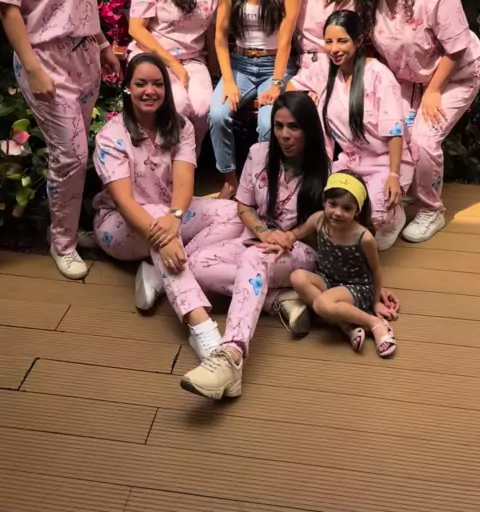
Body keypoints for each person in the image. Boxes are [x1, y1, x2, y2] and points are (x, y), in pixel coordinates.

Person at [0, 0, 120, 280]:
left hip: (85, 58)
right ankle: (62, 242)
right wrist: (32, 68)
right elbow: (7, 7)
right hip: (44, 59)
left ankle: (67, 226)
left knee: (76, 153)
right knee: (69, 154)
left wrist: (103, 46)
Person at [180, 92, 330, 399]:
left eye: (294, 127)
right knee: (196, 263)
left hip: (299, 251)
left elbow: (324, 221)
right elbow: (244, 206)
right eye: (279, 126)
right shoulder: (259, 153)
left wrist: (291, 236)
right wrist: (263, 232)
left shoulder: (324, 167)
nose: (285, 135)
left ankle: (231, 354)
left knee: (253, 259)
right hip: (259, 239)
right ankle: (276, 299)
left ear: (309, 129)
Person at [92, 53, 242, 358]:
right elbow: (123, 201)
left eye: (158, 84)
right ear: (127, 87)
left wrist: (175, 218)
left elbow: (184, 182)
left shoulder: (180, 126)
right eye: (141, 84)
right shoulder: (111, 136)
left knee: (235, 213)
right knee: (160, 218)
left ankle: (158, 272)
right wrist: (168, 231)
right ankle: (201, 327)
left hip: (169, 215)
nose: (150, 91)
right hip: (119, 226)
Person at [348, 0, 480, 242]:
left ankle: (431, 209)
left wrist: (433, 91)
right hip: (409, 78)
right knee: (393, 131)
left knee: (422, 139)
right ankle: (400, 201)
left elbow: (457, 47)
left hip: (455, 73)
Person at [288, 9, 414, 250]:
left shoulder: (379, 75)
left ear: (358, 40)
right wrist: (309, 97)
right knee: (316, 200)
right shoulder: (324, 69)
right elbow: (292, 87)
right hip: (349, 160)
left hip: (384, 159)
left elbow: (395, 130)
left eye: (342, 41)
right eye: (329, 41)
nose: (334, 49)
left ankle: (394, 218)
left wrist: (394, 175)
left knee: (373, 212)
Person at [209, 0, 301, 195]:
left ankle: (262, 183)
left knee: (267, 122)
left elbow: (285, 40)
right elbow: (220, 36)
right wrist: (228, 80)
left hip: (277, 66)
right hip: (240, 64)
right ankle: (230, 179)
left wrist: (276, 84)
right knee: (217, 114)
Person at [128, 0, 223, 151]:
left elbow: (212, 27)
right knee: (177, 104)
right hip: (153, 57)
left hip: (193, 58)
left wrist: (215, 67)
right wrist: (172, 64)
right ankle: (160, 164)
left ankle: (187, 162)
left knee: (203, 108)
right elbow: (136, 28)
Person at [290, 171, 397, 358]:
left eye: (347, 208)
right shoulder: (318, 220)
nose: (338, 213)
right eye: (333, 204)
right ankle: (346, 326)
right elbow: (295, 234)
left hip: (357, 287)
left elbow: (376, 271)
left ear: (357, 211)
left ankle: (374, 323)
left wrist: (375, 303)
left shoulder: (364, 237)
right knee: (297, 277)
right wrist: (274, 240)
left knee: (321, 304)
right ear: (324, 201)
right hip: (327, 279)